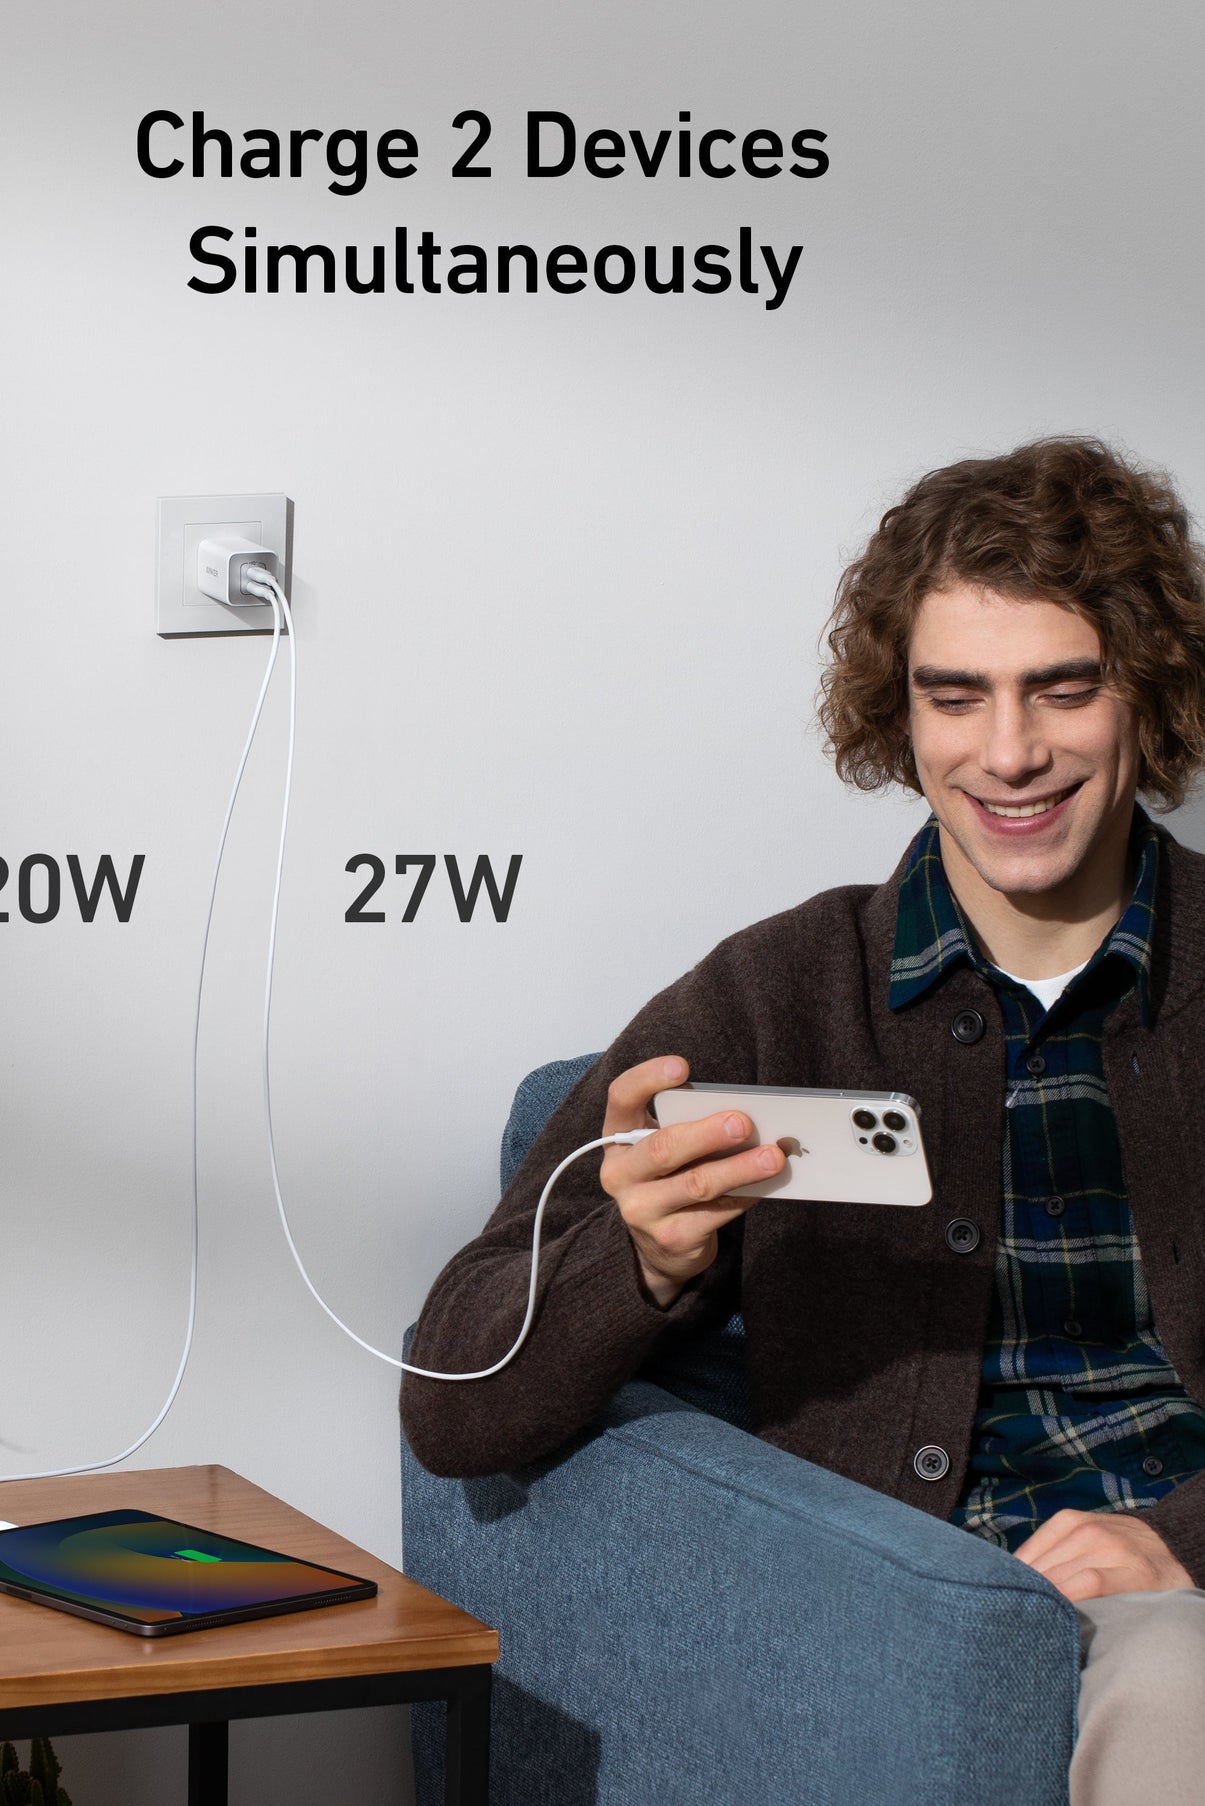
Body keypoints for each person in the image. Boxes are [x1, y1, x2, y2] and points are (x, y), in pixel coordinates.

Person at [401, 437, 1205, 1805]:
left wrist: (1179, 1540)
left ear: (1145, 693)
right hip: (887, 1618)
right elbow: (452, 1395)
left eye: (1060, 689)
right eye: (956, 698)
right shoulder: (774, 992)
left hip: (1164, 1612)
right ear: (899, 716)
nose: (1007, 753)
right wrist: (637, 1263)